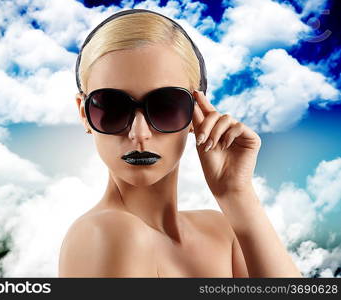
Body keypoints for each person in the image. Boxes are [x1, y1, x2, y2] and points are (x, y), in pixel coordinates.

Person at [58, 9, 302, 278]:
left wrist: (237, 194)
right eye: (112, 108)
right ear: (84, 113)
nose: (140, 134)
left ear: (196, 112)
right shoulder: (108, 234)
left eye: (165, 106)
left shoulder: (221, 232)